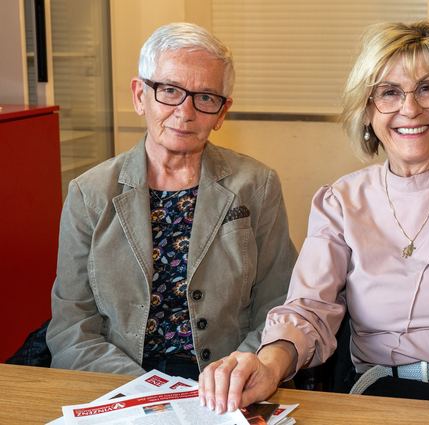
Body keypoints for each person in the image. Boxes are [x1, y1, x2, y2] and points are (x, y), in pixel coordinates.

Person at [198, 19, 429, 411]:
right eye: (389, 92)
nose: (410, 109)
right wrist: (269, 364)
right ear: (368, 111)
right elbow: (309, 308)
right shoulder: (340, 202)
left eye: (427, 88)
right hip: (375, 397)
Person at [46, 22, 297, 380]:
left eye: (205, 97)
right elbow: (72, 328)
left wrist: (240, 371)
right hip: (118, 377)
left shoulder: (257, 185)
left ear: (222, 112)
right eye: (169, 90)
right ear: (140, 96)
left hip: (224, 377)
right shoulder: (89, 194)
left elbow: (278, 304)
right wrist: (145, 389)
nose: (185, 111)